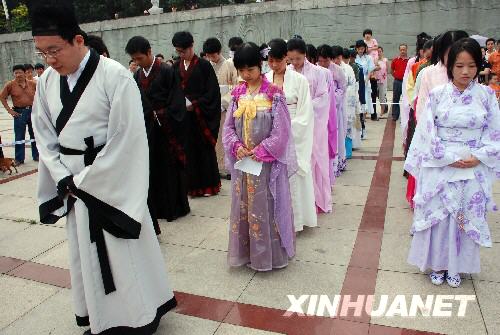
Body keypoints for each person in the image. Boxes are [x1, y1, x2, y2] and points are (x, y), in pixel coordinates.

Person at [31, 2, 177, 335]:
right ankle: (99, 316)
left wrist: (86, 180)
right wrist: (62, 175)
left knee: (123, 252)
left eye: (55, 50)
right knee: (87, 253)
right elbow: (44, 136)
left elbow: (128, 138)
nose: (50, 60)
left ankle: (140, 315)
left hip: (108, 181)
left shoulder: (114, 75)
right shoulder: (46, 83)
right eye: (42, 53)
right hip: (72, 182)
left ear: (78, 41)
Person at [405, 38, 500, 288]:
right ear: (450, 67)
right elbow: (427, 131)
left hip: (473, 162)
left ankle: (457, 265)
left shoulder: (487, 96)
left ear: (478, 66)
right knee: (440, 216)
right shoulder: (437, 95)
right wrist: (446, 156)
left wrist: (477, 157)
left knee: (463, 214)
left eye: (471, 65)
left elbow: (495, 132)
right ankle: (437, 263)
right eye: (459, 66)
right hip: (441, 162)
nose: (465, 72)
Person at [223, 42, 296, 271]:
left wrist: (261, 150)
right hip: (243, 163)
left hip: (265, 164)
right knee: (244, 205)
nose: (246, 75)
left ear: (261, 65)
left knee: (267, 205)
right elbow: (228, 129)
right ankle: (246, 253)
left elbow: (281, 132)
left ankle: (269, 255)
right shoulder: (237, 94)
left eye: (251, 70)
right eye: (242, 70)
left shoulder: (274, 94)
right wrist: (236, 146)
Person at [126, 35, 190, 230]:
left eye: (139, 58)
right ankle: (158, 208)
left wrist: (162, 115)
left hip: (167, 127)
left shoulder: (167, 70)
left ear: (149, 52)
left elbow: (177, 100)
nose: (137, 62)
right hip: (149, 128)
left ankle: (175, 207)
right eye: (134, 59)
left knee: (169, 168)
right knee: (152, 169)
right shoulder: (137, 75)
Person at [266, 38, 316, 232]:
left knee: (294, 175)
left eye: (277, 60)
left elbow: (305, 113)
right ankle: (275, 221)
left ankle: (296, 221)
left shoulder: (300, 80)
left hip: (293, 131)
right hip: (270, 133)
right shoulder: (265, 79)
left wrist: (286, 129)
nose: (274, 65)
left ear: (285, 58)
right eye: (270, 61)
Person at [172, 31, 222, 196]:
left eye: (183, 51)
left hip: (200, 116)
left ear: (191, 46)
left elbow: (212, 92)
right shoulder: (174, 67)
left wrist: (196, 104)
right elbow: (173, 91)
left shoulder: (204, 65)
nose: (181, 55)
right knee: (188, 151)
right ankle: (191, 187)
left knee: (204, 151)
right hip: (184, 118)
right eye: (178, 52)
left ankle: (209, 186)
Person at [287, 38, 331, 213]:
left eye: (298, 58)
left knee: (314, 158)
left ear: (305, 55)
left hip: (313, 123)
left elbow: (323, 98)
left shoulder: (318, 72)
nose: (295, 63)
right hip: (293, 123)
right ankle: (299, 204)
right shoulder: (287, 72)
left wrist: (305, 107)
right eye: (291, 59)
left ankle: (316, 200)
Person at [203, 37, 239, 179]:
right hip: (210, 108)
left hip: (225, 108)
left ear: (220, 52)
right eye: (209, 56)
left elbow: (237, 86)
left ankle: (227, 168)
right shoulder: (207, 66)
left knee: (225, 137)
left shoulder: (230, 65)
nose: (212, 58)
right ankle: (215, 167)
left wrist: (224, 100)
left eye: (214, 55)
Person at [0, 64, 39, 164]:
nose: (18, 75)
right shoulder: (10, 85)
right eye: (16, 73)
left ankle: (37, 155)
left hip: (33, 111)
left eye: (20, 72)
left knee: (35, 134)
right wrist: (10, 110)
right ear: (13, 74)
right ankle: (19, 159)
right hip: (19, 113)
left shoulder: (32, 84)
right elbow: (2, 97)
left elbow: (41, 95)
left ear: (24, 73)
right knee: (19, 137)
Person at [340, 47, 359, 157]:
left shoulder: (348, 68)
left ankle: (347, 151)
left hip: (348, 101)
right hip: (338, 102)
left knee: (347, 125)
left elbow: (353, 86)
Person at [355, 40, 376, 126]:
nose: (361, 50)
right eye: (359, 49)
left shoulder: (368, 58)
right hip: (356, 81)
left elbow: (370, 70)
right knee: (357, 101)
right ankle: (358, 121)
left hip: (365, 80)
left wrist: (367, 79)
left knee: (365, 100)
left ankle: (363, 121)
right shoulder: (354, 57)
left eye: (363, 49)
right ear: (356, 49)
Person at [363, 29, 379, 119]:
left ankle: (373, 114)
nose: (367, 35)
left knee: (373, 95)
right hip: (365, 77)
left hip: (373, 59)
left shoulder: (373, 41)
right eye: (366, 34)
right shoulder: (363, 42)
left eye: (369, 34)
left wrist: (369, 49)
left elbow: (376, 48)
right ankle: (364, 114)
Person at [390, 44, 409, 121]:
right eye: (401, 50)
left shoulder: (410, 60)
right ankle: (395, 115)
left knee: (406, 100)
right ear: (399, 50)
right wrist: (396, 76)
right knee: (395, 99)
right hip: (397, 82)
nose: (402, 51)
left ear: (407, 50)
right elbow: (391, 71)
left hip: (406, 83)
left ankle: (406, 116)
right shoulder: (395, 60)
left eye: (404, 49)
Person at [376, 46, 388, 116]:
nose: (379, 53)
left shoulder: (385, 60)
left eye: (380, 51)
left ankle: (382, 110)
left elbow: (388, 70)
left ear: (382, 52)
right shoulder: (375, 60)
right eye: (377, 51)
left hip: (383, 80)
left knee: (382, 96)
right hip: (375, 80)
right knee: (376, 95)